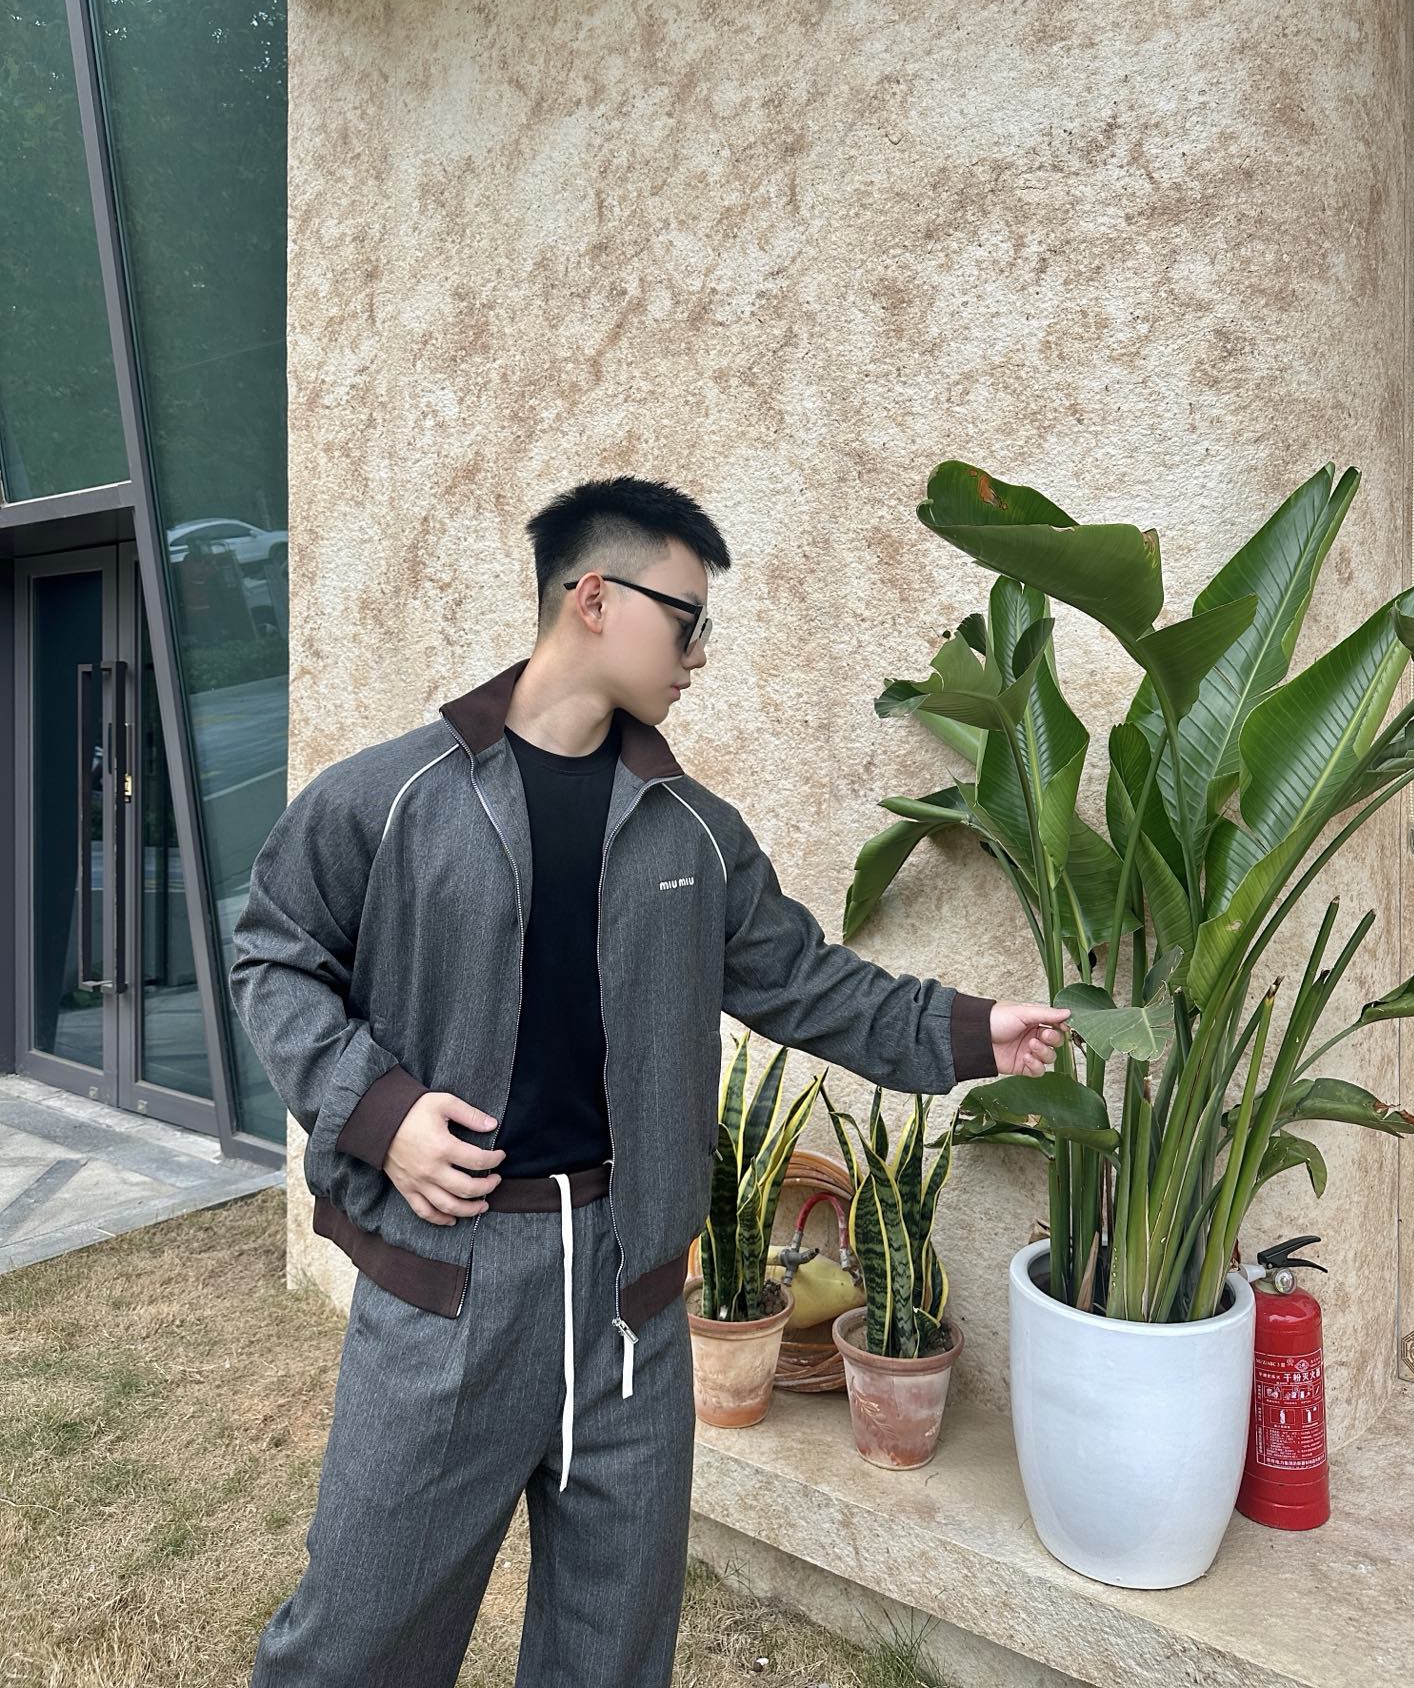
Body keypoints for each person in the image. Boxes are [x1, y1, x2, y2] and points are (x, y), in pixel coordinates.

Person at [230, 474, 1070, 1688]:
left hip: (634, 1308)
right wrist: (382, 1113)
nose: (700, 652)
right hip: (449, 1288)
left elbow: (807, 983)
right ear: (593, 599)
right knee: (357, 1647)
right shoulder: (391, 796)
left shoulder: (693, 830)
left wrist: (974, 1031)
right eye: (687, 620)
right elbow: (274, 955)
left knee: (613, 1656)